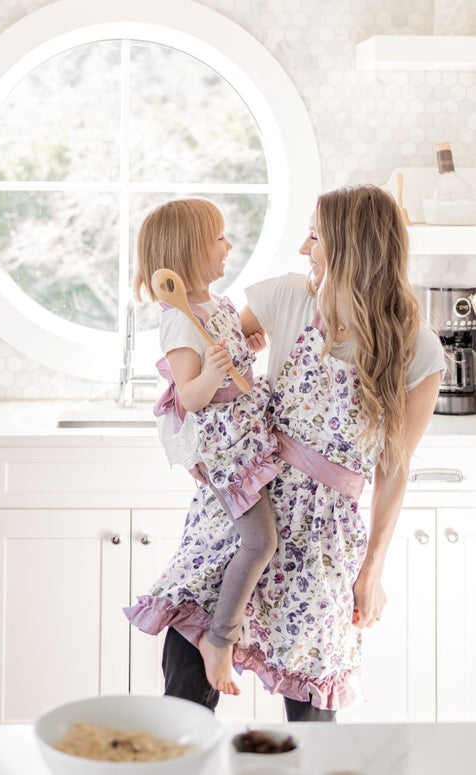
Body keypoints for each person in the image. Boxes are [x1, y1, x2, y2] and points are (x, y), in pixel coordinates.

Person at [125, 184, 446, 721]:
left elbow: (394, 467)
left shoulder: (417, 348)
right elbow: (212, 364)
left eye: (315, 235)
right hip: (245, 512)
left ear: (350, 247)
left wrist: (372, 569)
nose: (303, 248)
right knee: (185, 696)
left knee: (310, 714)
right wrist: (206, 454)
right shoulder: (285, 296)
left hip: (322, 542)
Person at [131, 197, 281, 696]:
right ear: (192, 249)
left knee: (237, 547)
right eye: (219, 237)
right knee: (260, 542)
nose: (229, 246)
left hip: (245, 440)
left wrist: (242, 348)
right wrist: (214, 373)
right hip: (226, 451)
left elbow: (229, 360)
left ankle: (211, 637)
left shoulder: (214, 307)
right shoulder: (176, 318)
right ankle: (220, 638)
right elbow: (190, 396)